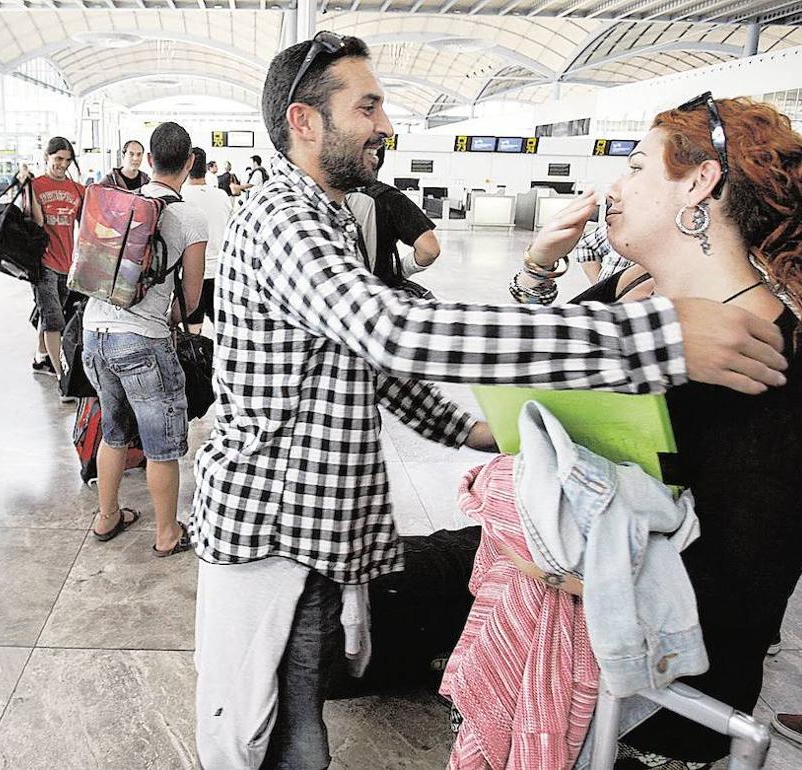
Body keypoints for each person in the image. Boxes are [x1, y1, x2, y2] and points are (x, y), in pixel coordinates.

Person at [189, 34, 788, 770]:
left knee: (302, 699)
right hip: (275, 527)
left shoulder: (330, 215)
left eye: (636, 165)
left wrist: (470, 429)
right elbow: (390, 330)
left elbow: (363, 359)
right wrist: (653, 336)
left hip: (321, 534)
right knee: (272, 735)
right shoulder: (285, 216)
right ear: (304, 121)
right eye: (369, 105)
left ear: (700, 186)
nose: (386, 125)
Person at [515, 95, 802, 769]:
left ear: (700, 183)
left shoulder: (771, 362)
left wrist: (565, 572)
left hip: (648, 708)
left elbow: (742, 586)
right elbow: (523, 371)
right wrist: (537, 267)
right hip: (558, 596)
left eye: (636, 167)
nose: (613, 186)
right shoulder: (631, 288)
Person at [82, 121, 206, 556]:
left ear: (149, 160)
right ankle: (167, 533)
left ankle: (108, 516)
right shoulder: (190, 217)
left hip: (94, 335)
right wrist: (169, 311)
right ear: (189, 163)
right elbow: (191, 300)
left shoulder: (123, 201)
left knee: (113, 432)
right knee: (160, 445)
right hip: (143, 342)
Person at [22, 136, 84, 386]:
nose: (63, 165)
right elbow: (36, 222)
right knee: (54, 320)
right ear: (46, 157)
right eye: (58, 158)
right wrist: (28, 187)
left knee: (52, 316)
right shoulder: (35, 185)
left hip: (68, 264)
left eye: (68, 160)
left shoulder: (77, 189)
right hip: (43, 263)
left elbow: (88, 226)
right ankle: (62, 377)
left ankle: (40, 357)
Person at [345, 145, 441, 284]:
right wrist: (401, 270)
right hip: (378, 290)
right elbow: (429, 250)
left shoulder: (324, 195)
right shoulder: (389, 197)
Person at [181, 146, 232, 335]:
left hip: (191, 275)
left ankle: (198, 364)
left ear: (187, 166)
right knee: (223, 331)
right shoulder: (221, 196)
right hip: (220, 273)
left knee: (193, 331)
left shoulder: (181, 198)